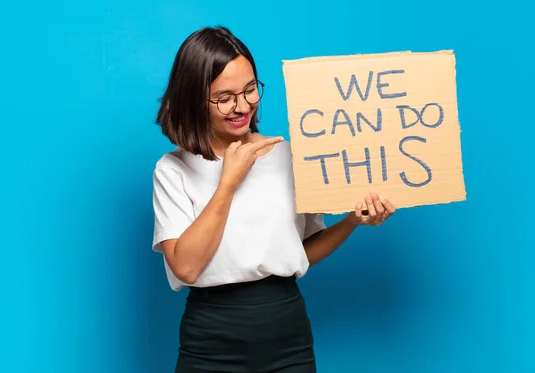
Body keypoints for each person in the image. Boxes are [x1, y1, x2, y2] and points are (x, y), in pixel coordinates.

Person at [151, 26, 396, 373]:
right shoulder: (172, 170)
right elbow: (186, 267)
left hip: (287, 334)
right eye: (224, 97)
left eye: (250, 90)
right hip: (210, 339)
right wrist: (228, 182)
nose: (242, 105)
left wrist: (353, 220)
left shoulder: (290, 157)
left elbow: (303, 250)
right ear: (194, 98)